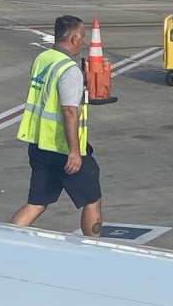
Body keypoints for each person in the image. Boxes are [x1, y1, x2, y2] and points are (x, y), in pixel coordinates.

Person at [10, 15, 103, 237]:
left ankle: (6, 240)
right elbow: (69, 111)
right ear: (73, 39)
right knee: (92, 200)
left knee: (36, 203)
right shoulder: (69, 70)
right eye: (82, 37)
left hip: (39, 145)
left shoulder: (43, 59)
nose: (83, 42)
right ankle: (95, 248)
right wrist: (74, 152)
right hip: (62, 149)